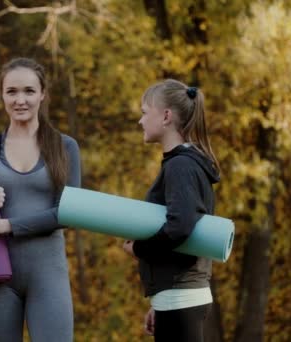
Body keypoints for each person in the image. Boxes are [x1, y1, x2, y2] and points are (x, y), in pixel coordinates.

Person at [0, 57, 81, 341]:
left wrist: (5, 226)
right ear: (2, 95)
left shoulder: (64, 147)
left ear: (43, 94)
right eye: (12, 92)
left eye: (29, 91)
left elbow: (69, 214)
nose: (20, 100)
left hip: (48, 276)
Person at [122, 79, 220, 341]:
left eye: (144, 113)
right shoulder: (183, 164)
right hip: (176, 295)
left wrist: (138, 249)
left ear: (166, 116)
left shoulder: (180, 166)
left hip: (181, 296)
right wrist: (158, 301)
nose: (140, 121)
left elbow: (180, 227)